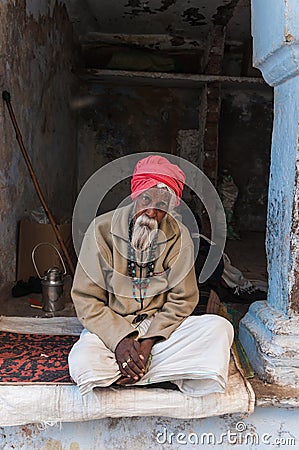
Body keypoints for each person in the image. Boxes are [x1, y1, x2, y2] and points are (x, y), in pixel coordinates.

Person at [68, 155, 234, 396]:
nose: (152, 211)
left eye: (162, 206)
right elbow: (87, 300)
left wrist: (147, 344)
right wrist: (121, 340)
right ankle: (155, 373)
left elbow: (182, 300)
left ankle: (133, 369)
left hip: (160, 331)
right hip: (113, 326)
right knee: (85, 363)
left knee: (219, 329)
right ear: (135, 195)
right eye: (146, 199)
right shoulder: (101, 230)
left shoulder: (179, 237)